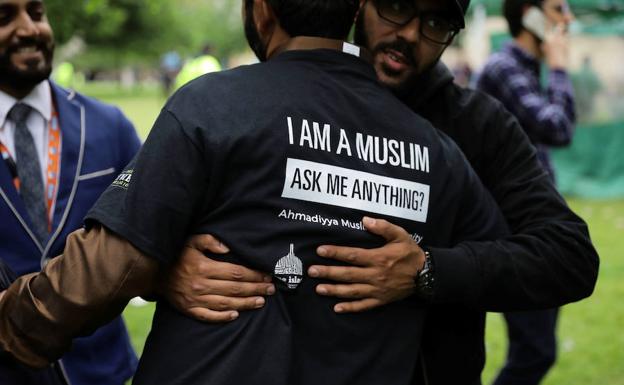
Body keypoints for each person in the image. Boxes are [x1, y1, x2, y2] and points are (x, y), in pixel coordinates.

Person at [0, 0, 510, 384]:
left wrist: (13, 321)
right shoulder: (437, 152)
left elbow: (106, 268)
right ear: (354, 12)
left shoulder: (213, 106)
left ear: (262, 10)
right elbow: (507, 258)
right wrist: (427, 269)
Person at [163, 0, 599, 383]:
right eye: (396, 5)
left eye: (435, 23)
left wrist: (427, 271)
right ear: (358, 6)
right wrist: (163, 268)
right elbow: (150, 228)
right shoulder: (275, 100)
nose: (409, 32)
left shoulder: (477, 127)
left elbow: (569, 256)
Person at [0, 0, 141, 384]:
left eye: (37, 12)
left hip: (104, 371)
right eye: (4, 17)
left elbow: (160, 232)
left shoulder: (110, 127)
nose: (29, 29)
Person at [475, 1, 576, 384]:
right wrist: (561, 66)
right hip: (512, 230)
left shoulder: (527, 70)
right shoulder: (504, 69)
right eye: (557, 8)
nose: (567, 18)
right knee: (536, 350)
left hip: (534, 226)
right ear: (530, 13)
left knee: (536, 350)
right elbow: (558, 128)